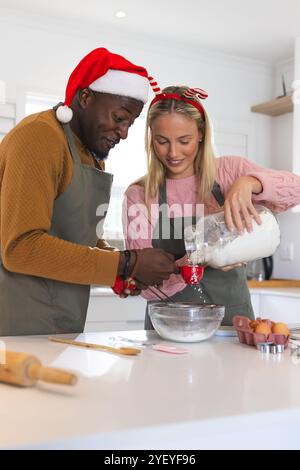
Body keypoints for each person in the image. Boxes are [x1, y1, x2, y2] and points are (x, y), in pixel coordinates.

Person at [0, 48, 176, 336]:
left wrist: (123, 270)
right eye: (119, 118)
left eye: (129, 123)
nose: (124, 132)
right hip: (16, 323)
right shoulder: (39, 138)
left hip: (60, 318)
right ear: (85, 98)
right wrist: (126, 263)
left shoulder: (89, 153)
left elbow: (79, 237)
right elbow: (21, 247)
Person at [123, 84, 300, 327]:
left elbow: (296, 189)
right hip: (169, 327)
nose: (173, 152)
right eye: (162, 141)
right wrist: (195, 262)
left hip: (231, 321)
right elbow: (144, 285)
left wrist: (250, 182)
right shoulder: (140, 196)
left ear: (201, 133)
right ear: (151, 138)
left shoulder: (229, 172)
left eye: (184, 140)